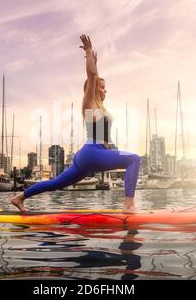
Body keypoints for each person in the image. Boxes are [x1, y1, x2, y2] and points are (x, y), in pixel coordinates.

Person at [11, 34, 141, 213]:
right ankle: (128, 205)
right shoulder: (89, 102)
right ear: (92, 88)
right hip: (91, 154)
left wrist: (95, 63)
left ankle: (19, 198)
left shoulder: (100, 107)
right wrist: (88, 53)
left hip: (89, 156)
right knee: (134, 159)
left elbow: (95, 76)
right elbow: (92, 75)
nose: (105, 90)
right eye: (101, 87)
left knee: (56, 183)